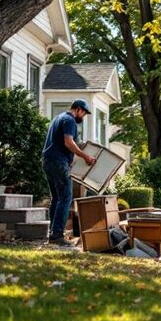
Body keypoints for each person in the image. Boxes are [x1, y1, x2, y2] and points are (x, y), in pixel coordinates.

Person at [42, 99, 96, 245]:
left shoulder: (58, 118)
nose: (83, 117)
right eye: (84, 113)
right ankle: (58, 235)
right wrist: (85, 156)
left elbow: (74, 143)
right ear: (78, 109)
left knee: (56, 198)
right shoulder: (70, 120)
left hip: (48, 162)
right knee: (65, 197)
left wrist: (88, 149)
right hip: (59, 163)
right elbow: (68, 142)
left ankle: (52, 233)